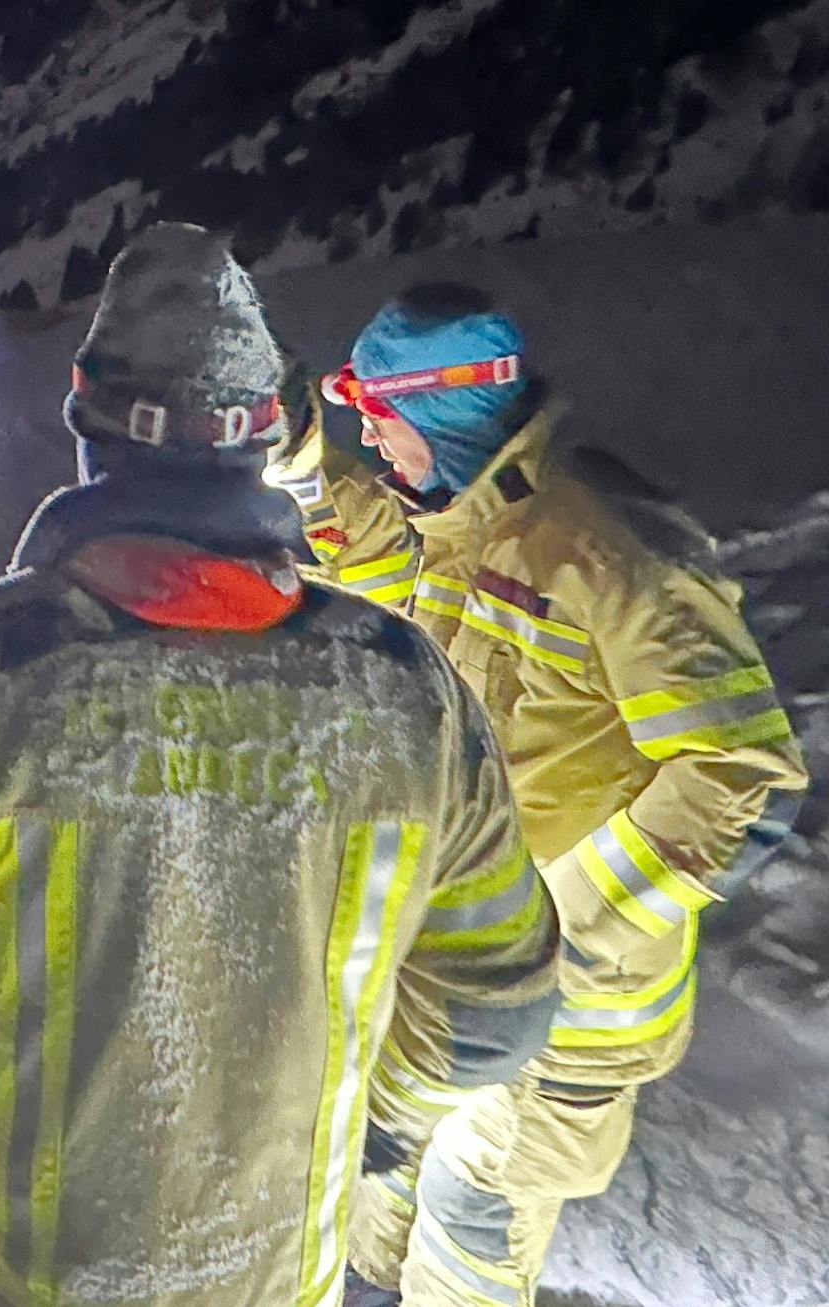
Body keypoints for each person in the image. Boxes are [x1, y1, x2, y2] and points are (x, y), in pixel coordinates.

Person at [0, 224, 560, 1307]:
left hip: (20, 1272)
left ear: (86, 422)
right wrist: (376, 1125)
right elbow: (499, 997)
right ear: (267, 436)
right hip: (272, 1271)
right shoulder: (401, 688)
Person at [302, 287, 810, 1307]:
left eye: (381, 426)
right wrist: (301, 464)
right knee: (377, 1195)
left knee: (465, 1225)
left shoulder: (601, 551)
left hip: (561, 1012)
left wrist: (548, 928)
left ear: (438, 415)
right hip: (453, 982)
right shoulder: (467, 526)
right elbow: (379, 579)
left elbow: (740, 780)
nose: (374, 448)